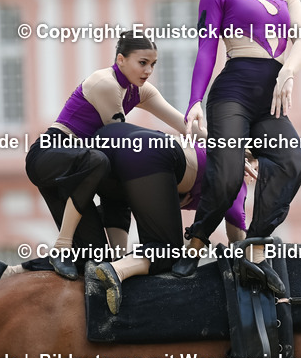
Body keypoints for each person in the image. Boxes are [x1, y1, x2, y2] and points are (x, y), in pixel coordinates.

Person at [174, 0, 301, 292]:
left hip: (271, 100)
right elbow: (207, 50)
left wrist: (288, 72)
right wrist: (195, 102)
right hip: (232, 94)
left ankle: (254, 247)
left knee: (292, 163)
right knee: (227, 177)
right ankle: (196, 243)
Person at [24, 30, 188, 280]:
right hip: (50, 154)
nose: (148, 71)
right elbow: (119, 143)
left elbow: (185, 125)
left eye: (153, 64)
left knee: (93, 257)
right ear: (121, 59)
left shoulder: (141, 91)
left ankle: (10, 272)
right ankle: (62, 247)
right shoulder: (106, 83)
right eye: (142, 63)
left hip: (80, 169)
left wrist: (233, 149)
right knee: (105, 163)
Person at [84, 121, 251, 313]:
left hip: (106, 143)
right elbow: (237, 234)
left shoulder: (206, 147)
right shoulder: (234, 173)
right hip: (145, 153)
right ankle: (116, 269)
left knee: (118, 204)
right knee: (167, 252)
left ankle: (116, 261)